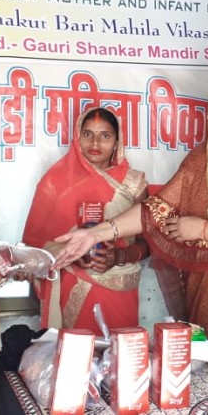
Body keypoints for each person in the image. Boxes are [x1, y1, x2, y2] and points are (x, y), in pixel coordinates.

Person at [53, 72, 208, 341]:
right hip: (204, 295)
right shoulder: (202, 158)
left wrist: (204, 230)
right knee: (204, 363)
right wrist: (95, 234)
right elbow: (155, 210)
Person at [22, 107, 149, 334]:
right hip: (71, 283)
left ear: (117, 141)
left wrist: (119, 256)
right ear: (77, 137)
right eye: (88, 134)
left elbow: (149, 244)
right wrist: (68, 254)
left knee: (120, 350)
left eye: (105, 136)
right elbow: (37, 243)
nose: (95, 143)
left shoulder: (134, 183)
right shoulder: (55, 182)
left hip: (120, 288)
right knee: (76, 350)